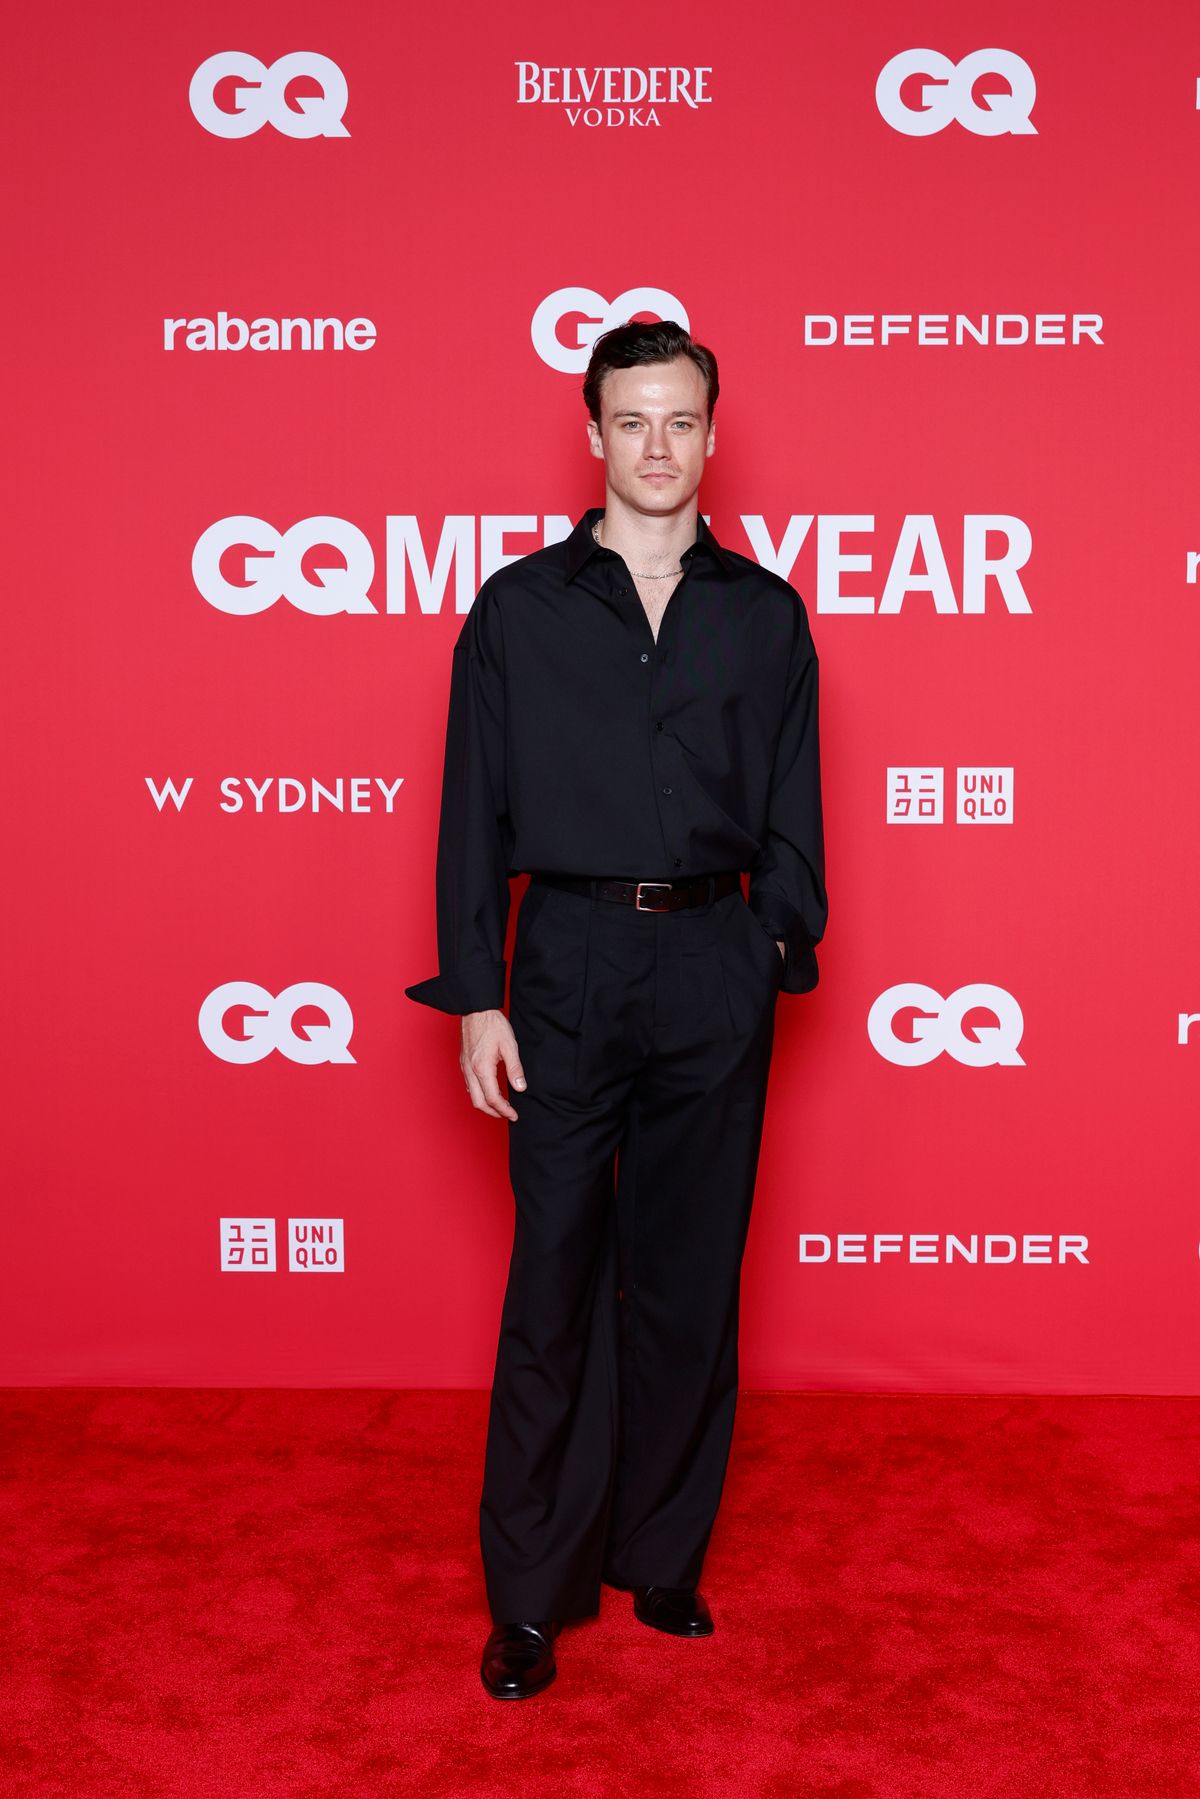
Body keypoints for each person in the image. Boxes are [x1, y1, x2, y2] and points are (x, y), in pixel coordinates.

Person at [405, 319, 827, 1699]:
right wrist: (478, 996)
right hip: (569, 964)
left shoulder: (764, 614)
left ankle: (661, 1555)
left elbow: (798, 809)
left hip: (714, 960)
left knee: (692, 1286)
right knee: (555, 1284)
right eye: (633, 420)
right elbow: (474, 811)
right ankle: (531, 1592)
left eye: (682, 422)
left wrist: (771, 943)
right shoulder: (519, 609)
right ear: (593, 436)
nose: (658, 446)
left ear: (715, 435)